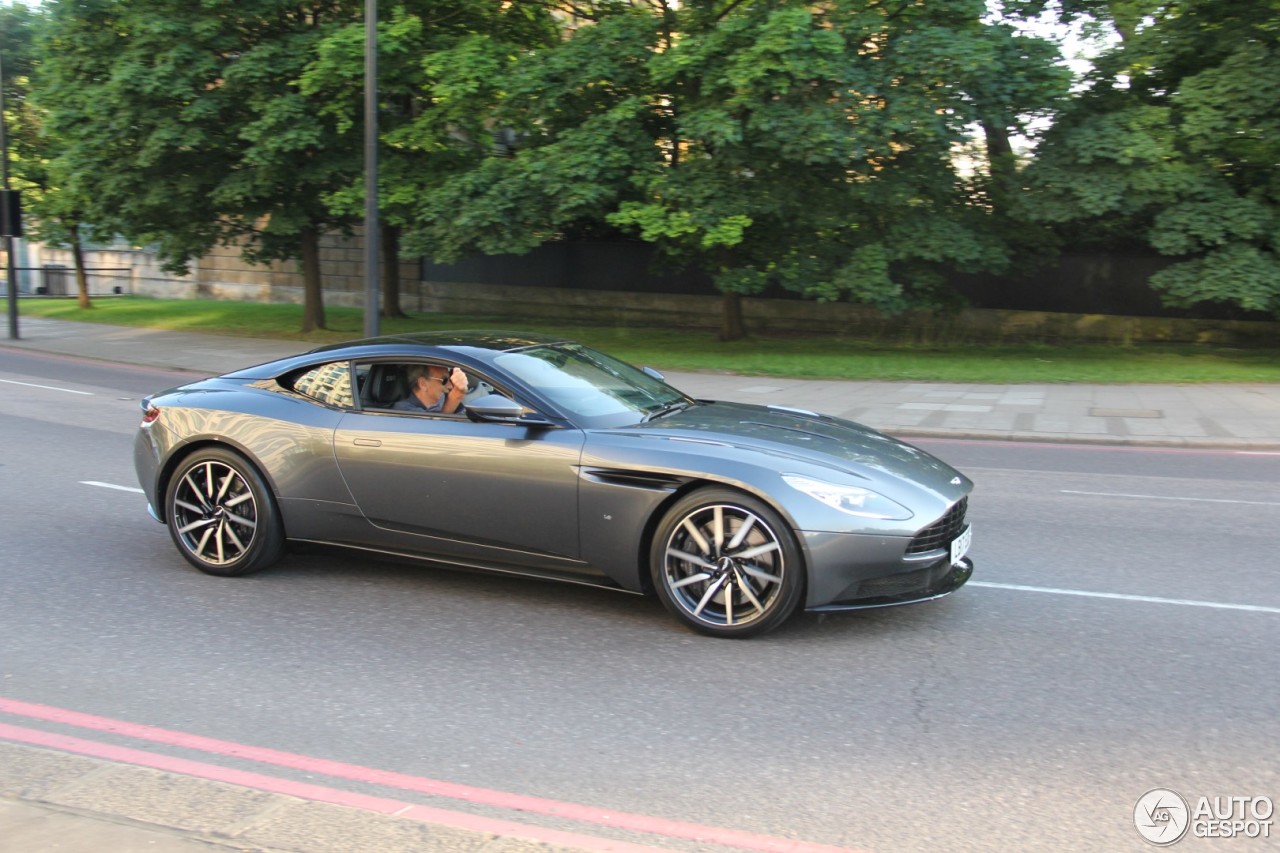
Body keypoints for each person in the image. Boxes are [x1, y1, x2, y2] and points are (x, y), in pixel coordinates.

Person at [392, 364, 469, 414]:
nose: (450, 386)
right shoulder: (402, 410)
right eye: (444, 380)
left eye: (450, 379)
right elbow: (436, 430)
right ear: (423, 384)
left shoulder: (443, 398)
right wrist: (456, 396)